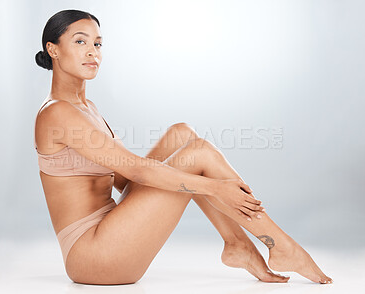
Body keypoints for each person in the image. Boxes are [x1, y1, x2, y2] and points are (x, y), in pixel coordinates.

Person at [34, 9, 333, 285]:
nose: (92, 52)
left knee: (182, 133)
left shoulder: (88, 108)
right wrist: (215, 187)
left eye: (98, 44)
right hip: (93, 255)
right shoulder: (56, 112)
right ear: (54, 50)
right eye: (80, 41)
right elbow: (136, 169)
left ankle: (238, 244)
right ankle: (279, 244)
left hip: (112, 231)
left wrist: (203, 183)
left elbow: (124, 181)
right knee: (199, 153)